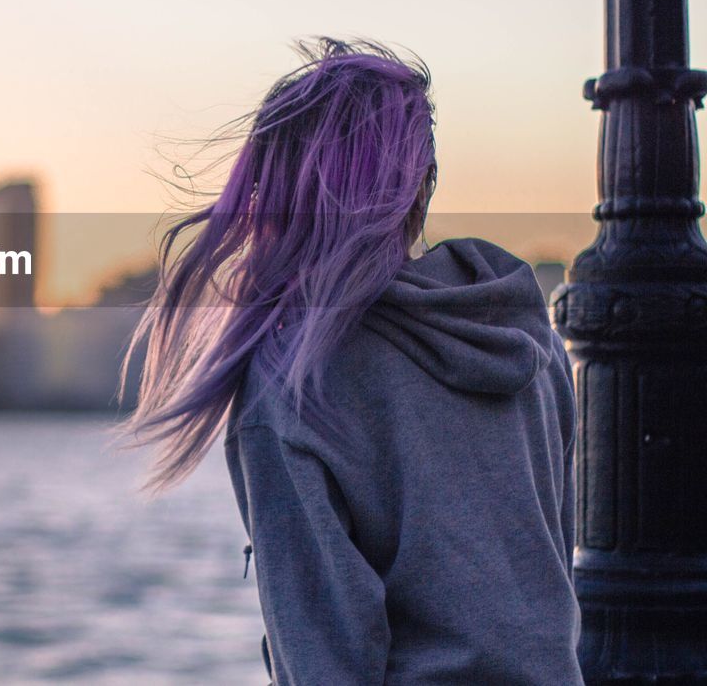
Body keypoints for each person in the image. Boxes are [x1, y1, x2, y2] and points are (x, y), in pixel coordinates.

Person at [121, 39, 582, 684]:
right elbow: (553, 570)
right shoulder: (522, 332)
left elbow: (326, 660)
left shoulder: (293, 377)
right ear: (421, 184)